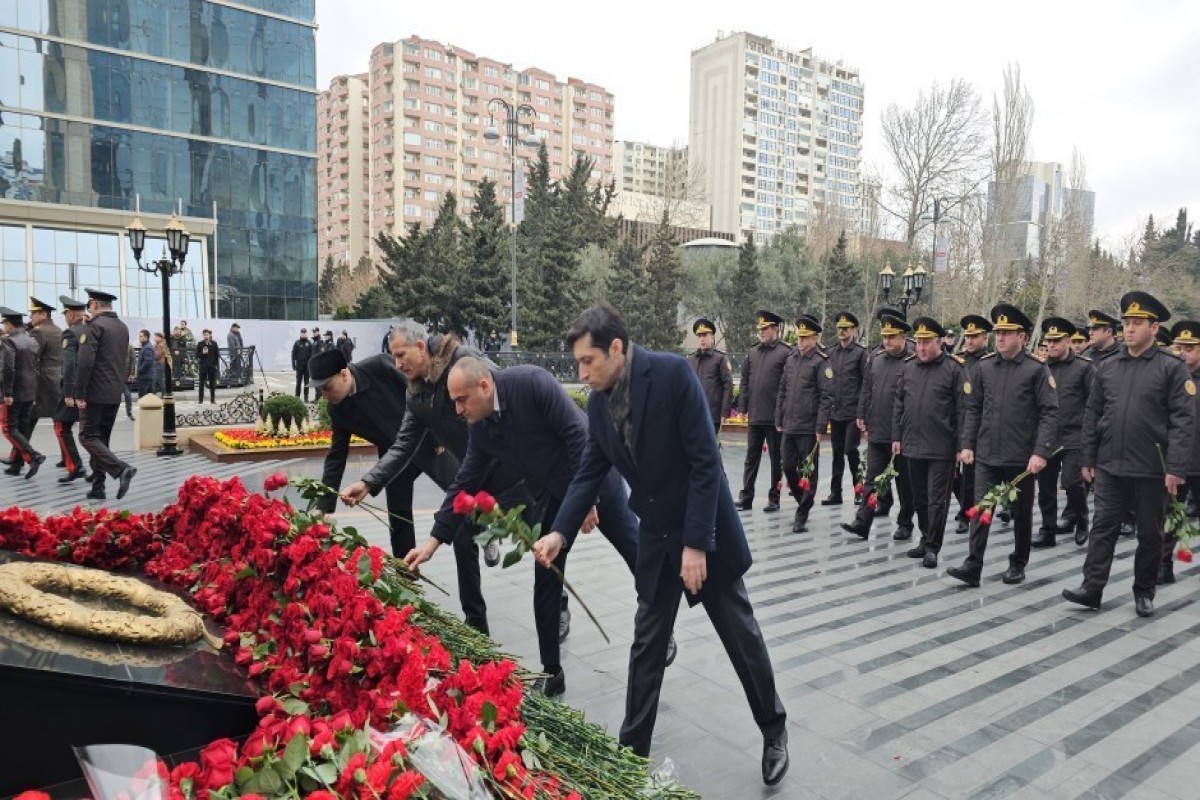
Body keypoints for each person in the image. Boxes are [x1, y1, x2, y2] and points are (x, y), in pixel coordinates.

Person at [534, 303, 788, 785]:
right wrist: (559, 532)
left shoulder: (672, 375)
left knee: (741, 637)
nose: (581, 373)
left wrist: (697, 544)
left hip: (704, 531)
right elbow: (590, 470)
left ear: (615, 348)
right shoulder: (599, 403)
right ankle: (630, 757)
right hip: (656, 536)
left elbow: (705, 461)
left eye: (587, 361)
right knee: (647, 647)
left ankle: (774, 729)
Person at [406, 357, 675, 696]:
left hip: (596, 479)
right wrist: (432, 543)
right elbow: (465, 481)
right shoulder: (481, 426)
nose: (458, 410)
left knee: (636, 553)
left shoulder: (532, 383)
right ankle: (551, 672)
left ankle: (661, 627)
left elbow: (577, 437)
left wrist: (587, 500)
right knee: (546, 574)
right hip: (555, 493)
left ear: (484, 386)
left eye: (462, 400)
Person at [339, 320, 518, 635]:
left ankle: (557, 603)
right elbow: (403, 444)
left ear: (420, 347)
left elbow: (507, 393)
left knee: (540, 537)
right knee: (461, 534)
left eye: (401, 355)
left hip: (513, 467)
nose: (397, 364)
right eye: (394, 356)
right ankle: (476, 625)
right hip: (472, 471)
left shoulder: (463, 360)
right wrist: (368, 482)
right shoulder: (416, 393)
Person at [1063, 292, 1195, 618]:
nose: (1130, 329)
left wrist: (1176, 467)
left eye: (1137, 323)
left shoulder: (1171, 367)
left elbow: (1183, 421)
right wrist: (1088, 457)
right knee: (1102, 528)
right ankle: (1092, 588)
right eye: (1127, 323)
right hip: (1110, 464)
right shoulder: (1108, 366)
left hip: (1152, 468)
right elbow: (1093, 413)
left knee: (1150, 535)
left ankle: (1144, 592)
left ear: (1154, 327)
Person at [308, 348, 457, 556]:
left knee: (461, 492)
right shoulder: (337, 410)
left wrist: (439, 437)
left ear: (343, 375)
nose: (324, 396)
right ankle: (405, 569)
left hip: (428, 440)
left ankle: (484, 533)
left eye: (327, 387)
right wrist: (323, 506)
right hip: (393, 459)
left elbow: (422, 392)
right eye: (319, 390)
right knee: (398, 518)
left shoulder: (380, 367)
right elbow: (336, 457)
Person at [949, 304, 1058, 588]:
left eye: (1007, 333)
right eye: (998, 332)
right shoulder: (985, 367)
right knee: (982, 509)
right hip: (987, 454)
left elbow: (1049, 412)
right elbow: (974, 408)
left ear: (1022, 337)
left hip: (1021, 458)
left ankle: (1018, 562)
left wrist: (1041, 452)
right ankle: (973, 565)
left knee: (1021, 514)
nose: (1000, 337)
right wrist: (967, 444)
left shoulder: (1036, 369)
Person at [891, 318, 965, 568]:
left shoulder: (954, 368)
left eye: (926, 342)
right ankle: (924, 538)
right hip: (912, 444)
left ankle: (933, 546)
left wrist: (961, 446)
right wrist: (897, 436)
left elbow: (963, 410)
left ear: (939, 342)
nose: (921, 348)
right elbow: (899, 404)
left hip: (941, 448)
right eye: (919, 342)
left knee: (937, 500)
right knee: (919, 498)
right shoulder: (909, 366)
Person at [841, 312, 916, 541]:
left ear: (902, 336)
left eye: (892, 337)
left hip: (902, 434)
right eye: (885, 336)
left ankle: (905, 523)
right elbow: (866, 387)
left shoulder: (913, 360)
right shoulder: (876, 357)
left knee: (905, 483)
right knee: (871, 479)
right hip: (878, 430)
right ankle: (862, 522)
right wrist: (861, 413)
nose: (887, 341)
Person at [1032, 318, 1094, 549]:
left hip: (1074, 436)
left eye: (1056, 341)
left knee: (1071, 482)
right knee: (1046, 487)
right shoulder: (1040, 367)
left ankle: (1081, 520)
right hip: (1047, 437)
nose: (1051, 345)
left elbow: (1094, 404)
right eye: (1049, 341)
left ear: (1068, 341)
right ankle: (1047, 531)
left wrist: (1089, 438)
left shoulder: (1084, 367)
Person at [74, 288, 137, 501]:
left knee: (87, 436)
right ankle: (98, 487)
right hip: (114, 391)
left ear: (94, 304)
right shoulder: (121, 327)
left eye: (89, 305)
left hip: (94, 392)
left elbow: (85, 362)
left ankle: (121, 469)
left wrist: (79, 393)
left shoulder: (94, 326)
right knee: (101, 440)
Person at [776, 314, 832, 533]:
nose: (800, 341)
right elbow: (783, 390)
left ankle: (802, 514)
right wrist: (779, 417)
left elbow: (826, 396)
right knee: (788, 466)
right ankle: (803, 500)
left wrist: (821, 426)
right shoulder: (791, 359)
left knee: (809, 472)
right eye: (799, 337)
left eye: (805, 337)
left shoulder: (820, 361)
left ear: (815, 338)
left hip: (808, 427)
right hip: (790, 424)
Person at [737, 310, 790, 513]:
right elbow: (744, 381)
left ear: (775, 329)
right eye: (760, 328)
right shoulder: (753, 352)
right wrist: (742, 407)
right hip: (755, 415)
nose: (761, 332)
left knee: (776, 460)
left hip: (774, 417)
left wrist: (782, 413)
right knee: (751, 458)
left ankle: (774, 498)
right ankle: (746, 497)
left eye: (765, 328)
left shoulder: (785, 352)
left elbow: (788, 385)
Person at [1161, 319, 1200, 584]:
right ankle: (1163, 565)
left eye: (1190, 348)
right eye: (1179, 347)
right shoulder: (1170, 376)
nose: (1183, 353)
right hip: (1178, 460)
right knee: (1171, 515)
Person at [952, 315, 993, 534]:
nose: (969, 340)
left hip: (978, 427)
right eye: (967, 336)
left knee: (970, 475)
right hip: (955, 424)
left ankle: (966, 514)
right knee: (952, 475)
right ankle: (966, 505)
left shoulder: (990, 362)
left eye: (975, 336)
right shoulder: (957, 361)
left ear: (985, 337)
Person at [823, 312, 867, 505]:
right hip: (836, 411)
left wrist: (862, 412)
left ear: (854, 330)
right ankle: (836, 493)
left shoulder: (860, 353)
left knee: (851, 450)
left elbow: (866, 384)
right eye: (840, 328)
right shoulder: (831, 352)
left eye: (846, 328)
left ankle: (859, 490)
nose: (842, 332)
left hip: (852, 412)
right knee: (837, 453)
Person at [0, 307, 46, 478]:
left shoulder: (9, 341)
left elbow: (8, 369)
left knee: (8, 428)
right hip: (29, 391)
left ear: (10, 324)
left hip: (14, 393)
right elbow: (35, 367)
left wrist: (7, 393)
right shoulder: (31, 340)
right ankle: (17, 463)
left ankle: (34, 456)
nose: (4, 327)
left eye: (4, 323)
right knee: (21, 428)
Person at [53, 295, 90, 483]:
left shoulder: (70, 333)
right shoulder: (92, 330)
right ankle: (96, 470)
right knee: (92, 433)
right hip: (93, 387)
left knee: (61, 426)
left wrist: (68, 393)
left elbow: (68, 365)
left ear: (71, 314)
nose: (66, 319)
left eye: (66, 315)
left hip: (74, 389)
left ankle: (75, 467)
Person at [687, 317, 733, 434]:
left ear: (712, 337)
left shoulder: (720, 359)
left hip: (712, 416)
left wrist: (724, 413)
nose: (702, 339)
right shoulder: (691, 360)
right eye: (699, 336)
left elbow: (728, 386)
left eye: (705, 335)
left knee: (709, 445)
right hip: (693, 415)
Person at [27, 297, 62, 447]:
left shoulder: (38, 332)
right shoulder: (59, 330)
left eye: (33, 313)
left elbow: (31, 358)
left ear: (43, 314)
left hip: (41, 384)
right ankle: (69, 457)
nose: (31, 317)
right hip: (57, 381)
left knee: (26, 422)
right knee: (60, 425)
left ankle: (20, 457)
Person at [195, 329, 219, 404]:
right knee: (201, 384)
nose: (206, 336)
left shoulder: (214, 344)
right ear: (203, 335)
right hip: (203, 366)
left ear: (209, 335)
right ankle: (200, 400)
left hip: (212, 367)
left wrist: (216, 365)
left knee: (212, 384)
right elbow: (196, 356)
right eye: (205, 335)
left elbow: (216, 356)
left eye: (207, 335)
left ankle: (212, 399)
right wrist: (202, 353)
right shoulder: (200, 344)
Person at [291, 328, 313, 400]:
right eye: (302, 333)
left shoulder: (309, 343)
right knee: (298, 383)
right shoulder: (297, 343)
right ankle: (297, 397)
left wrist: (311, 366)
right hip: (299, 366)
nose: (303, 334)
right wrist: (293, 364)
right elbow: (293, 354)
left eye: (305, 333)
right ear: (300, 334)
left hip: (307, 367)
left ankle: (306, 398)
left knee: (306, 383)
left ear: (306, 334)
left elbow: (312, 355)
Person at [135, 330, 155, 397]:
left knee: (143, 397)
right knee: (148, 397)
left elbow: (148, 362)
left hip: (145, 377)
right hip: (146, 377)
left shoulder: (147, 348)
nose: (139, 338)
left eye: (141, 336)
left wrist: (140, 370)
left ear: (146, 337)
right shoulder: (146, 346)